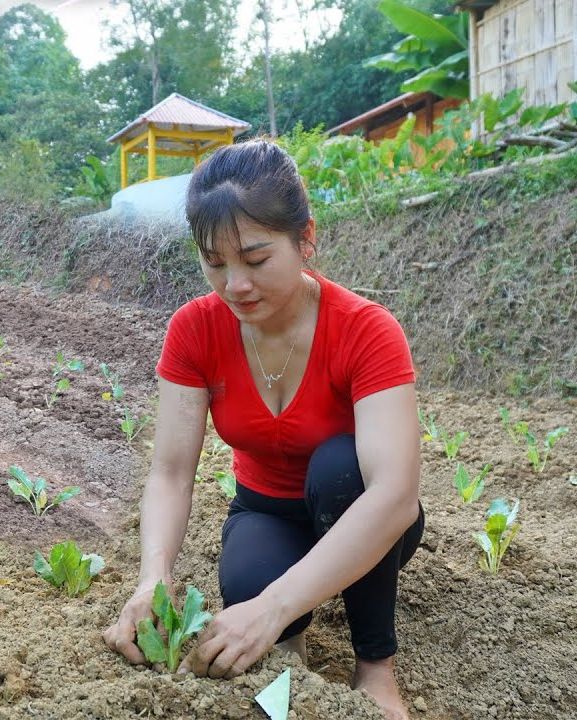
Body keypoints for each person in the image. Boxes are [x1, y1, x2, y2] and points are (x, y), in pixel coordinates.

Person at [102, 140, 424, 720]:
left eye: (254, 259)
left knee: (339, 469)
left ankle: (376, 663)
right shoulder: (196, 330)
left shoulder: (366, 330)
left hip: (361, 509)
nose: (234, 286)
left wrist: (273, 608)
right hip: (267, 509)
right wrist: (154, 579)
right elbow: (171, 473)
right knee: (249, 583)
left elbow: (394, 496)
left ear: (305, 239)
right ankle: (290, 642)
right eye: (214, 262)